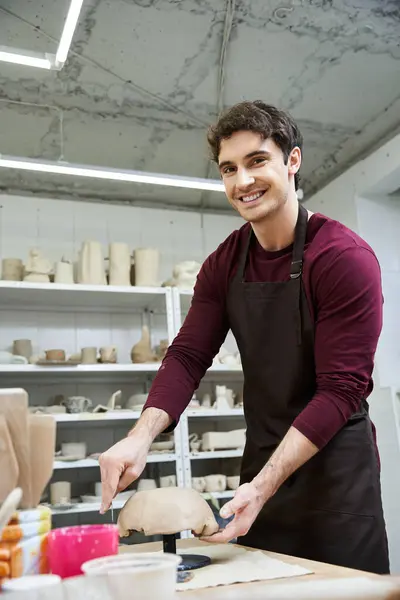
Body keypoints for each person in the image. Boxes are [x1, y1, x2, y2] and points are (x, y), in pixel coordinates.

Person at [99, 100, 389, 574]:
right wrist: (139, 437)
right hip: (260, 467)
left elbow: (342, 389)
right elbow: (189, 355)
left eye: (257, 161)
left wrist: (264, 484)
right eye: (228, 169)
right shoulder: (224, 263)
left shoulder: (342, 258)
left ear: (292, 161)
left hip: (336, 475)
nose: (242, 181)